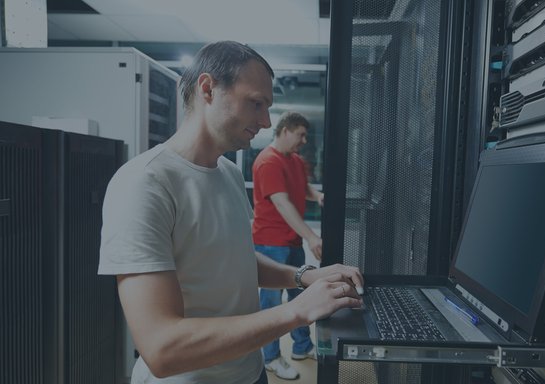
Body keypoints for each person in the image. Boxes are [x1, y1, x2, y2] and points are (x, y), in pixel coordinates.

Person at [98, 41, 364, 384]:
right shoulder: (143, 183)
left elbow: (235, 259)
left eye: (267, 107)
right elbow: (161, 348)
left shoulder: (228, 173)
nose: (266, 122)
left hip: (249, 374)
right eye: (256, 104)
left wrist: (303, 276)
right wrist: (296, 310)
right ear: (208, 89)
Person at [252, 111, 325, 379]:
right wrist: (311, 236)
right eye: (300, 134)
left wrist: (318, 195)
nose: (304, 140)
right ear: (284, 130)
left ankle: (302, 347)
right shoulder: (268, 161)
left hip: (290, 240)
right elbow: (282, 203)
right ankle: (270, 357)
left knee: (299, 295)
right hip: (271, 243)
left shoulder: (295, 160)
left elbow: (302, 189)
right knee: (272, 303)